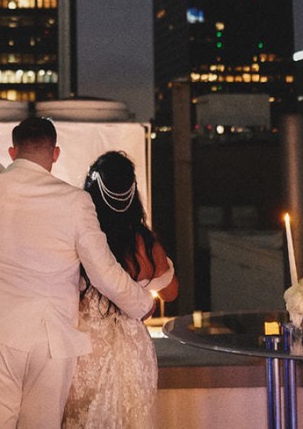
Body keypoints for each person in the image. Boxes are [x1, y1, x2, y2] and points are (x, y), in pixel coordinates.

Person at [0, 118, 155, 429]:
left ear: (13, 152)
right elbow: (104, 273)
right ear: (56, 153)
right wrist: (143, 304)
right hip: (50, 344)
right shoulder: (76, 202)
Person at [62, 151, 178, 429]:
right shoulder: (144, 242)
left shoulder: (81, 238)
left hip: (85, 351)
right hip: (133, 352)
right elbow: (170, 293)